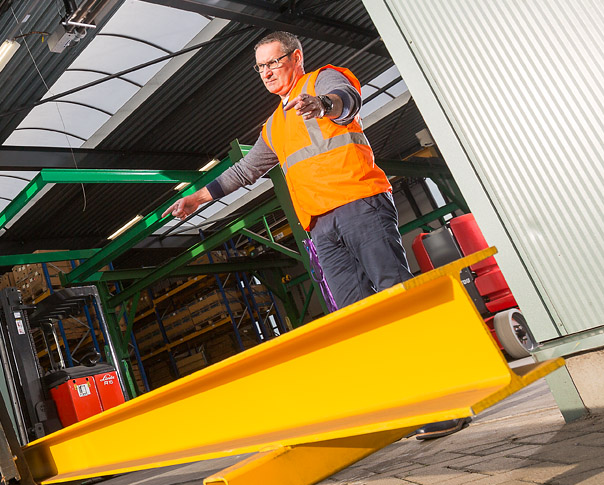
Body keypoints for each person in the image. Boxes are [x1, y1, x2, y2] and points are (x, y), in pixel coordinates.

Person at [164, 32, 466, 441]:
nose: (267, 72)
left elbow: (346, 99)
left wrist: (321, 104)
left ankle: (447, 399)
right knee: (355, 315)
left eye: (274, 62)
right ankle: (405, 405)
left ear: (296, 57)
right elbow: (245, 171)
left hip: (360, 202)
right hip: (320, 226)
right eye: (261, 67)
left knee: (394, 295)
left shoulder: (323, 80)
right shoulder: (273, 126)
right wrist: (198, 197)